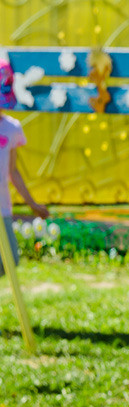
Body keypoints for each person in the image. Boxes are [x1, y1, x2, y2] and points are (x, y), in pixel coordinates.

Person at [0, 67, 49, 267]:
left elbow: (13, 171)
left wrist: (32, 204)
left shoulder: (11, 128)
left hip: (2, 207)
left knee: (9, 260)